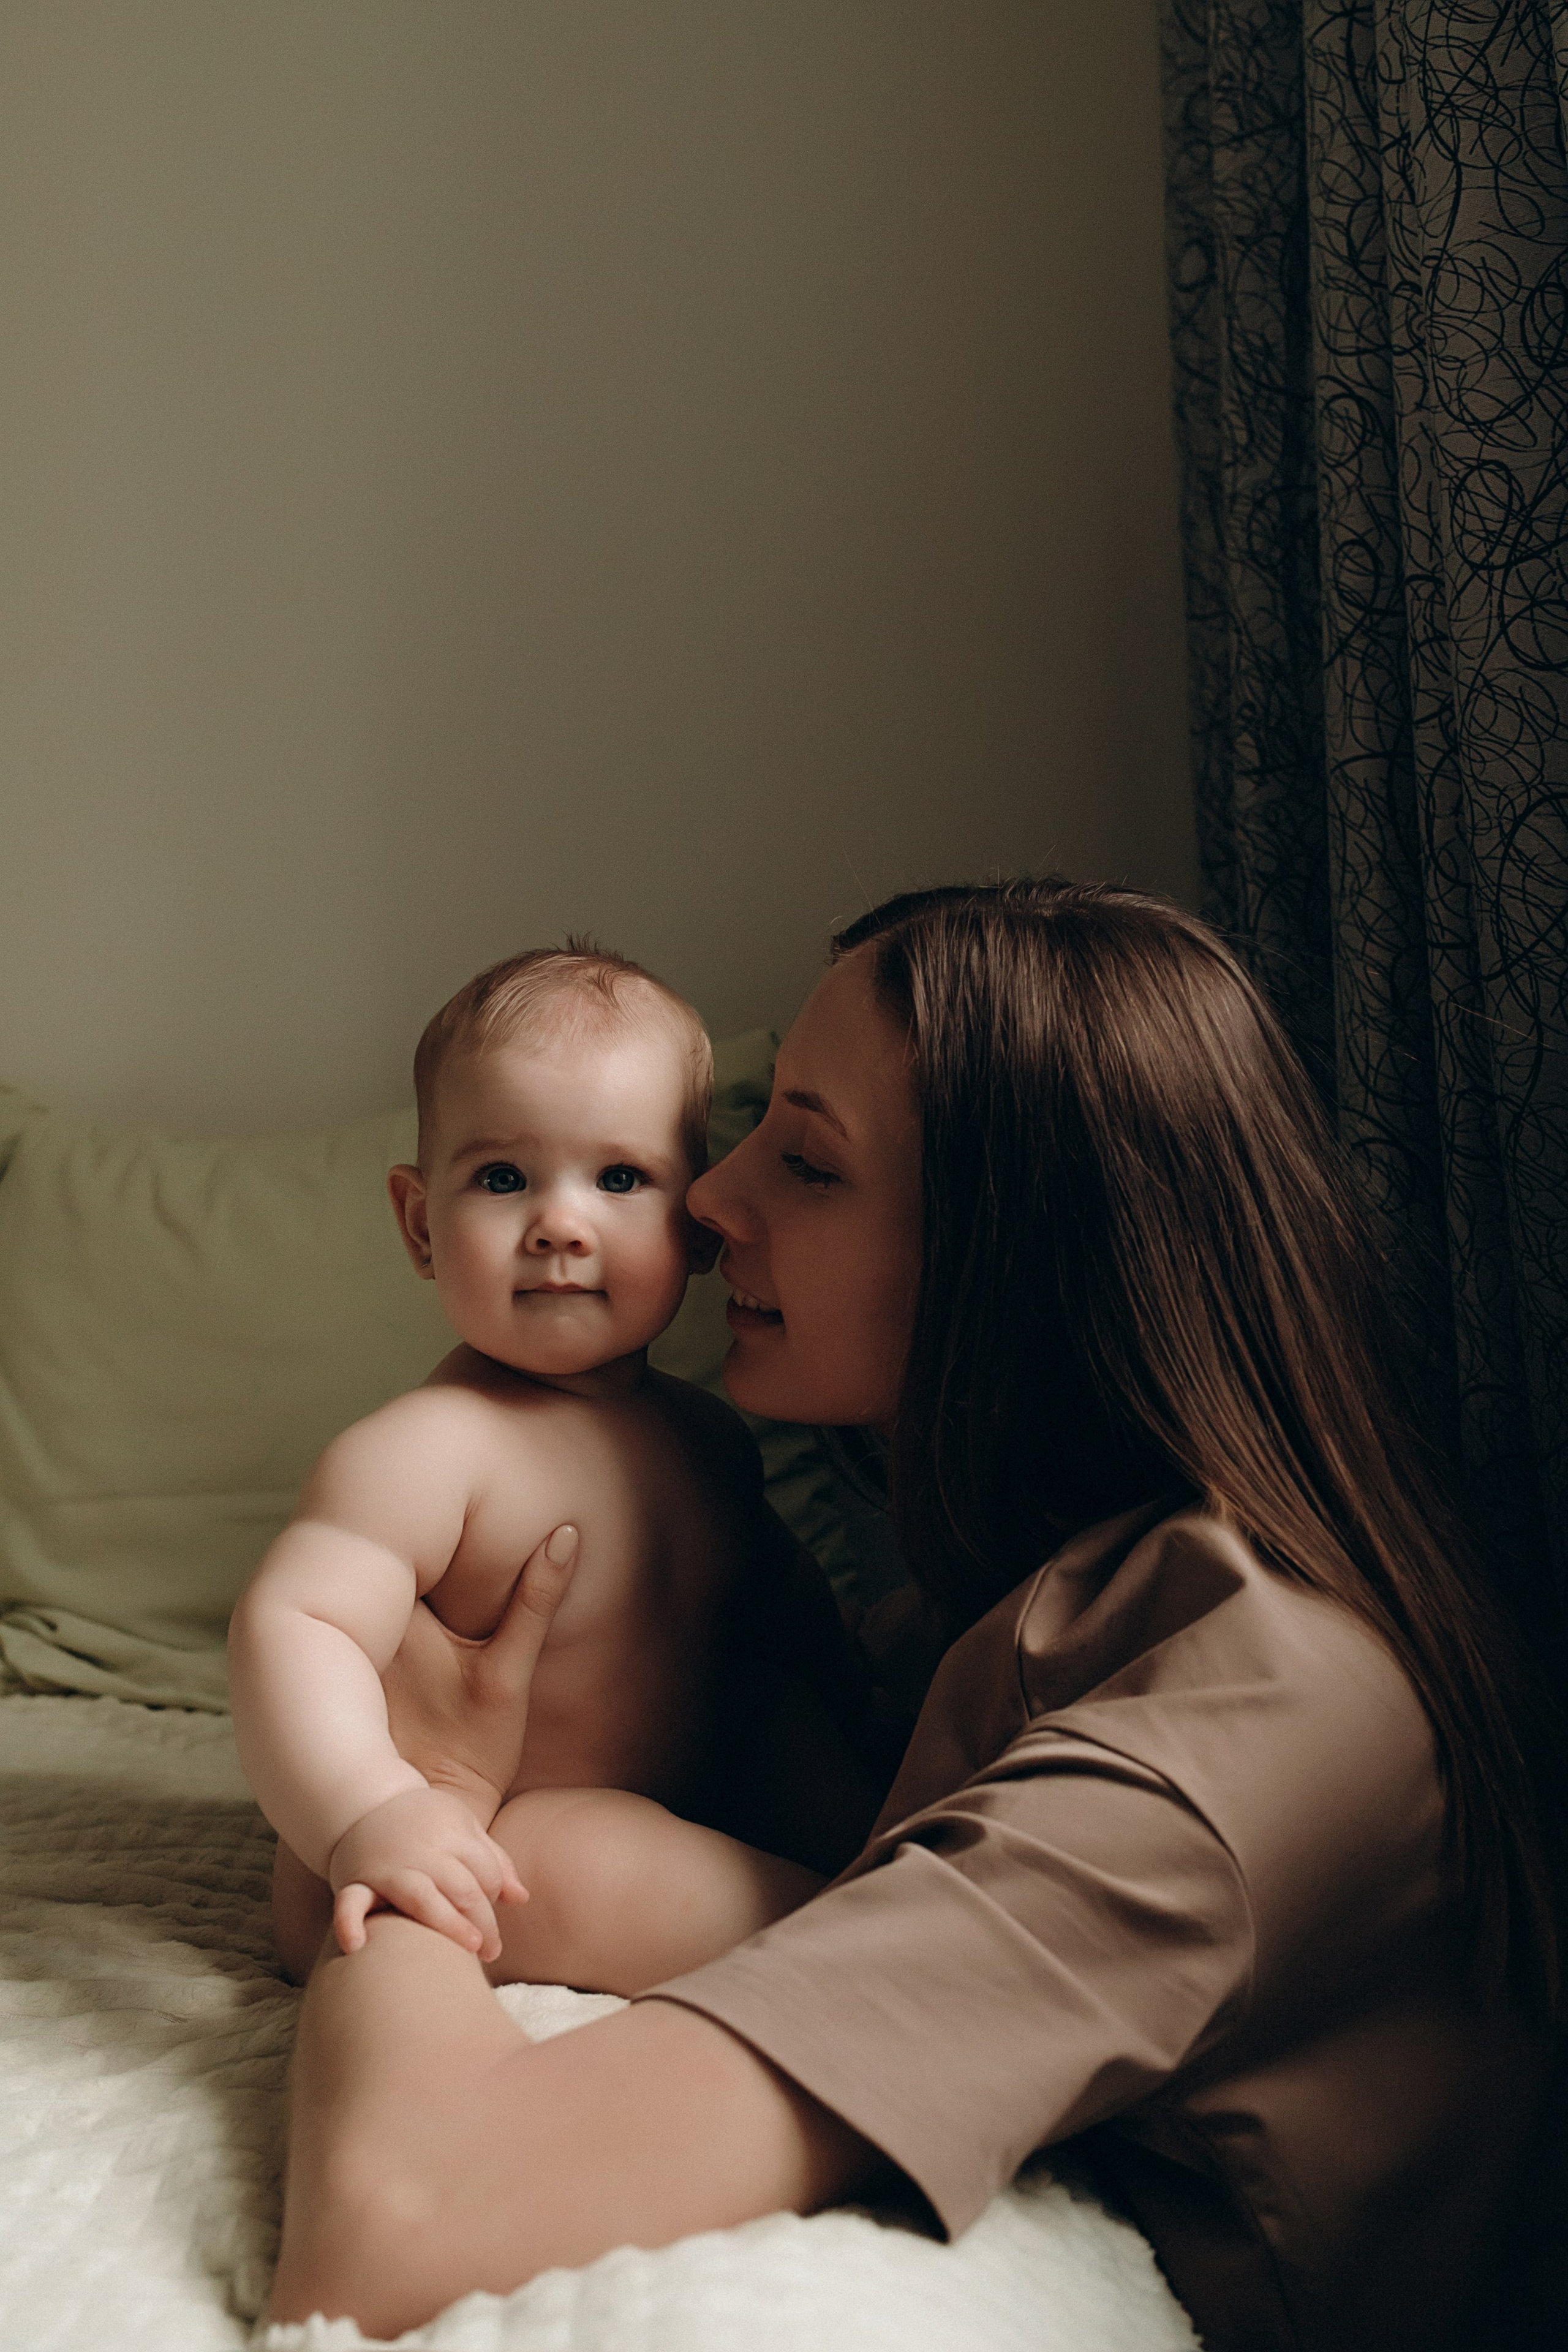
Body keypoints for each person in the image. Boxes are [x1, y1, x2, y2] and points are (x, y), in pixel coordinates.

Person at [266, 882, 1561, 2352]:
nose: (706, 1201)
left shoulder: (1226, 1740)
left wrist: (434, 1800)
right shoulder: (1092, 1577)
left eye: (804, 1161)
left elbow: (401, 2229)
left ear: (1021, 1264)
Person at [228, 943, 873, 1987]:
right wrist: (367, 1812)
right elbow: (295, 1625)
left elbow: (769, 1596)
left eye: (620, 1177)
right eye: (501, 1178)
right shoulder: (432, 1447)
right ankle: (857, 1946)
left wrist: (848, 1685)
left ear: (699, 1224)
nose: (560, 1226)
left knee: (788, 1728)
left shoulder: (705, 1437)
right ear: (419, 1223)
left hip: (678, 1781)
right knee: (597, 1852)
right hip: (468, 1844)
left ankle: (888, 1871)